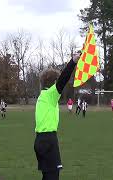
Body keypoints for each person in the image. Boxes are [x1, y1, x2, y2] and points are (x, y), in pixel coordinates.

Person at [34, 52, 80, 180]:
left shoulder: (42, 96)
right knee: (53, 177)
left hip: (40, 140)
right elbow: (63, 79)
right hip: (48, 141)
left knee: (47, 176)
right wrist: (73, 62)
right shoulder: (50, 95)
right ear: (54, 82)